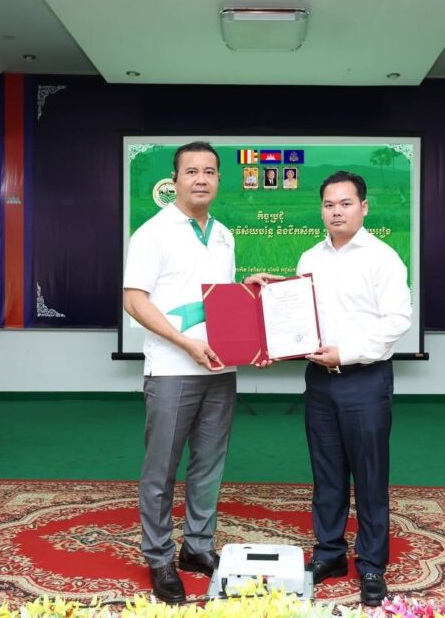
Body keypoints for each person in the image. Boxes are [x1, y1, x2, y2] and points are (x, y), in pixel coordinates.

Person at [123, 141, 273, 603]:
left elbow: (215, 299)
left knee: (208, 464)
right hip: (172, 370)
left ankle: (197, 548)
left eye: (209, 171)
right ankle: (159, 557)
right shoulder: (152, 233)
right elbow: (134, 300)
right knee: (162, 468)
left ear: (219, 179)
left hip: (220, 368)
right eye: (192, 171)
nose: (201, 179)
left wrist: (244, 290)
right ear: (175, 180)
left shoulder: (224, 235)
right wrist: (184, 342)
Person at [297, 171, 412, 607]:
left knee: (369, 475)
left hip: (365, 380)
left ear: (363, 207)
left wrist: (345, 353)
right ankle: (329, 553)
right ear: (321, 210)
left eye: (345, 203)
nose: (336, 212)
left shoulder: (383, 258)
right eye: (329, 205)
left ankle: (372, 565)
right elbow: (300, 315)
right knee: (326, 474)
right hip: (319, 381)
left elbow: (397, 321)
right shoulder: (309, 257)